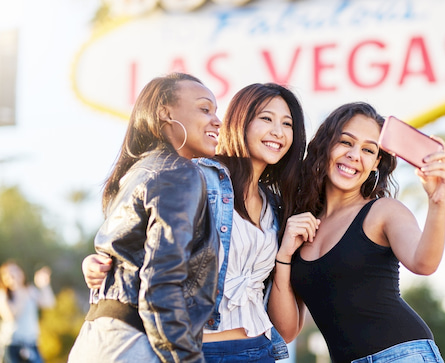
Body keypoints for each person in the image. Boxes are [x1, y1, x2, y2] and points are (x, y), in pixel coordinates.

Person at [81, 82, 307, 362]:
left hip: (259, 350)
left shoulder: (277, 207)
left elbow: (287, 330)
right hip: (198, 349)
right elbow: (136, 240)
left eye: (287, 124)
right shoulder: (197, 176)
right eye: (266, 118)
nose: (278, 131)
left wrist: (284, 255)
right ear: (240, 122)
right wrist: (97, 263)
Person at [268, 102, 445, 363]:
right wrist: (285, 254)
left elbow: (424, 263)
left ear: (376, 162)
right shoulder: (300, 225)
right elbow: (286, 331)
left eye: (368, 149)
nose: (355, 155)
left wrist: (438, 202)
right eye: (346, 142)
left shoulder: (383, 211)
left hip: (401, 355)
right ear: (325, 146)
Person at [68, 72, 222, 363]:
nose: (217, 120)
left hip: (99, 336)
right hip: (136, 342)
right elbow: (160, 284)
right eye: (205, 109)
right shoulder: (179, 172)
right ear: (165, 112)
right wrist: (187, 358)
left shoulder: (136, 172)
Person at [0, 261, 55, 363]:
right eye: (8, 273)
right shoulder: (3, 295)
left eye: (15, 270)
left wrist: (44, 286)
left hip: (32, 344)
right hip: (12, 345)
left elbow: (49, 304)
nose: (13, 275)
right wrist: (21, 292)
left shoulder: (30, 290)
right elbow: (11, 316)